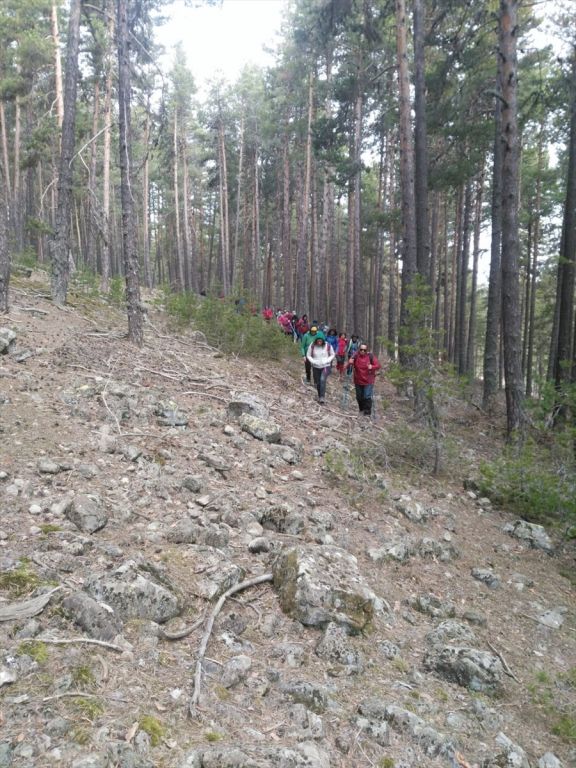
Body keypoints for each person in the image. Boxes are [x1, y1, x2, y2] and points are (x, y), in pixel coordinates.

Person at [347, 342, 382, 417]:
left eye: (364, 350)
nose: (362, 351)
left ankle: (367, 412)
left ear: (367, 350)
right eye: (361, 349)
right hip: (358, 380)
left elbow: (378, 365)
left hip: (368, 380)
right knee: (359, 396)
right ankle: (361, 410)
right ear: (359, 349)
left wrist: (372, 367)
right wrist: (350, 362)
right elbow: (349, 363)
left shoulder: (370, 356)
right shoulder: (356, 355)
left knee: (367, 396)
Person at [306, 335, 335, 404]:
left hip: (326, 366)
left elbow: (332, 354)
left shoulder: (328, 345)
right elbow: (308, 355)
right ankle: (320, 396)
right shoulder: (312, 345)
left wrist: (328, 360)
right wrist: (313, 361)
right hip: (316, 366)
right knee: (318, 382)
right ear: (316, 340)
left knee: (322, 380)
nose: (319, 342)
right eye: (318, 340)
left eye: (321, 341)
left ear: (323, 341)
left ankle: (322, 397)